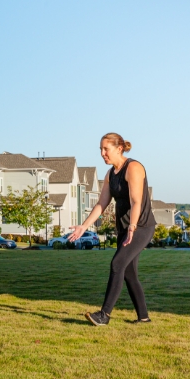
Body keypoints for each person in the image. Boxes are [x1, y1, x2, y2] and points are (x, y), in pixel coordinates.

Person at [68, 133, 157, 326]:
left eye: (105, 149)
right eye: (100, 149)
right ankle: (143, 317)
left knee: (117, 264)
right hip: (126, 228)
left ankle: (104, 315)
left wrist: (132, 227)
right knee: (128, 273)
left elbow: (136, 201)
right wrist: (84, 226)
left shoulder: (133, 168)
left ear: (119, 148)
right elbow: (101, 204)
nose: (102, 153)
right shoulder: (110, 174)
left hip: (141, 226)